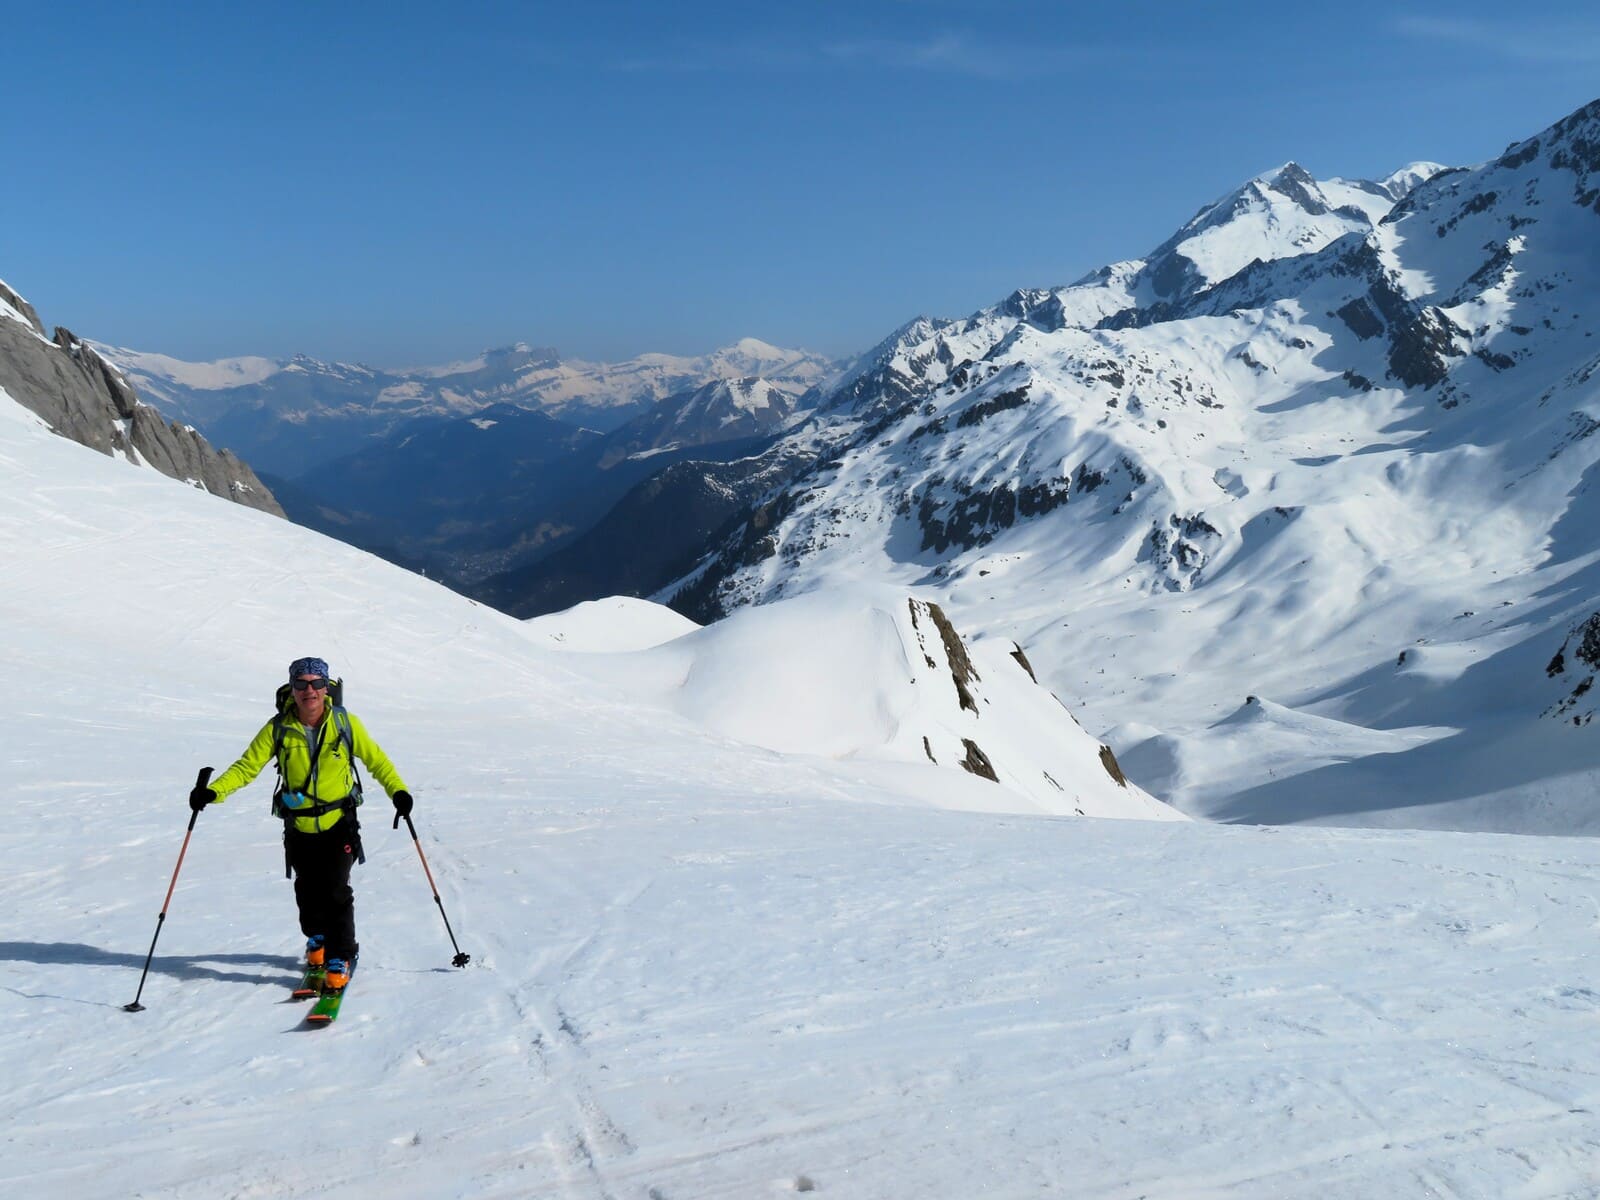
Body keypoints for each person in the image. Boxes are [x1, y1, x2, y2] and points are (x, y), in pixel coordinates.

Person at [189, 656, 413, 993]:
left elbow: (376, 760)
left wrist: (398, 792)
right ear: (291, 689)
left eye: (316, 683)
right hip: (299, 827)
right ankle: (318, 939)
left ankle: (342, 954)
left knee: (336, 890)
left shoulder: (345, 723)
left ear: (327, 688)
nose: (309, 690)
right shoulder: (277, 728)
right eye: (301, 683)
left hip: (339, 822)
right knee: (307, 892)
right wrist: (213, 793)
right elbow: (246, 768)